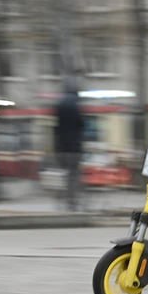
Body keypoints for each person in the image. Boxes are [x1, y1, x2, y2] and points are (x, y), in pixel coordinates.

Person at [54, 81, 85, 211]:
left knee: (66, 175)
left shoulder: (59, 105)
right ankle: (72, 203)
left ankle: (64, 200)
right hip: (74, 148)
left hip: (62, 148)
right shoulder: (76, 105)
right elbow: (81, 124)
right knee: (74, 176)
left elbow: (56, 127)